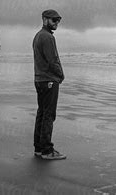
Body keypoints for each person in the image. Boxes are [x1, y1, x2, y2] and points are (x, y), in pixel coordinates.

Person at [33, 9, 66, 160]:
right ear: (44, 19)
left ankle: (39, 148)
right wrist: (60, 75)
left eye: (58, 20)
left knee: (42, 112)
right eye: (54, 20)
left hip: (40, 79)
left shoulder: (39, 36)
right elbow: (53, 60)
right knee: (48, 114)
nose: (56, 23)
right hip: (48, 80)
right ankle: (47, 150)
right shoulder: (47, 37)